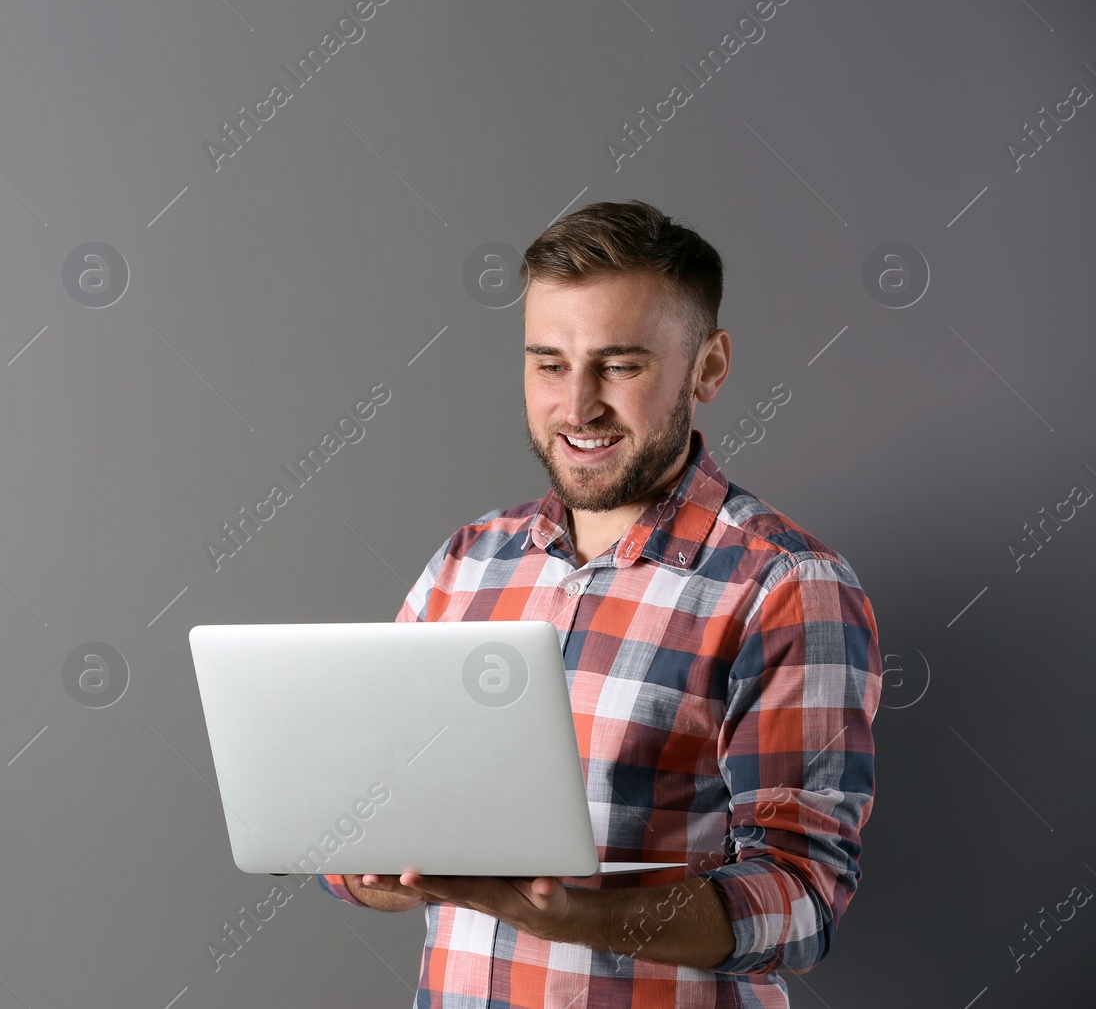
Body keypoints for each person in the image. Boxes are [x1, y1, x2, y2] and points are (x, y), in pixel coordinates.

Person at [321, 200, 881, 1007]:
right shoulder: (466, 564)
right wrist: (374, 866)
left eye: (620, 366)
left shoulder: (786, 585)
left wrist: (579, 916)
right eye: (549, 362)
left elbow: (803, 899)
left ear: (709, 368)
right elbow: (357, 846)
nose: (577, 406)